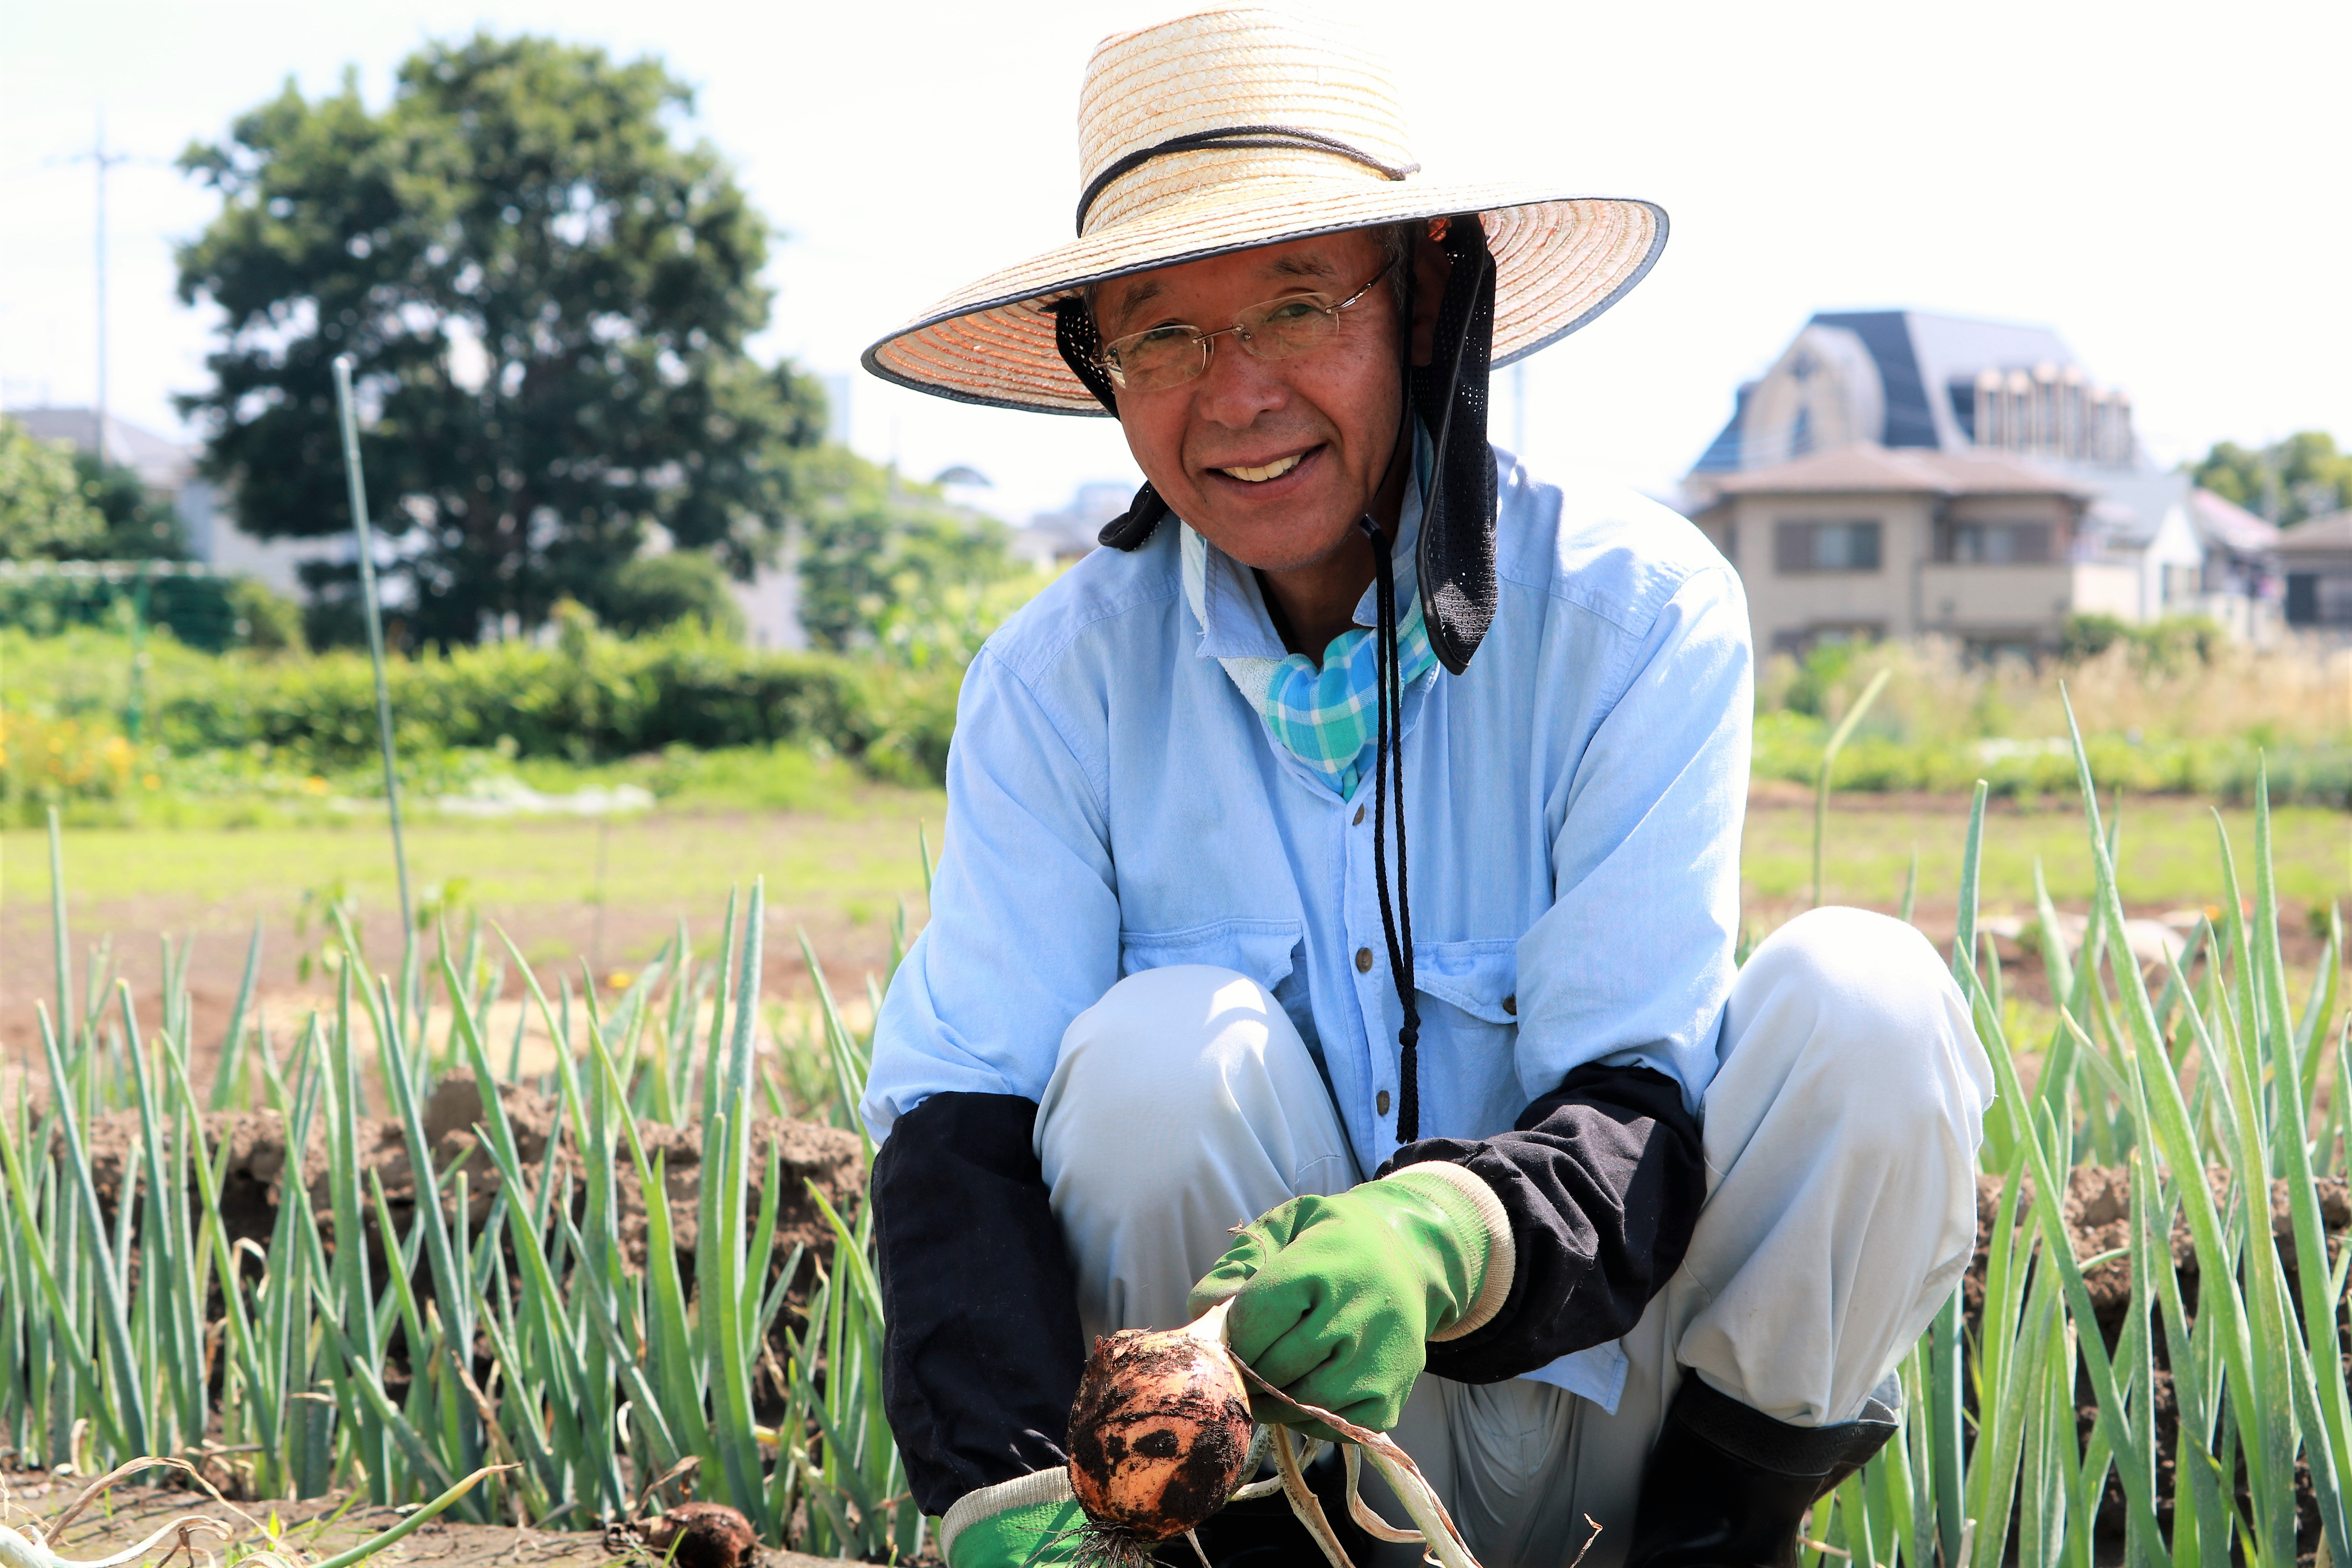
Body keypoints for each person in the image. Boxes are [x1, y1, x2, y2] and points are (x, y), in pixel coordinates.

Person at [856, 10, 1992, 1568]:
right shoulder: (1059, 686)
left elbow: (1638, 1097)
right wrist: (996, 1487)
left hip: (1623, 1396)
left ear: (1429, 298)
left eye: (1299, 303)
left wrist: (1445, 1231)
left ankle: (1713, 1547)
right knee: (1148, 1059)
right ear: (1099, 368)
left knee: (1869, 1001)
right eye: (1162, 333)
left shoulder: (1632, 612)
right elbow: (958, 1117)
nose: (1238, 394)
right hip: (1281, 1450)